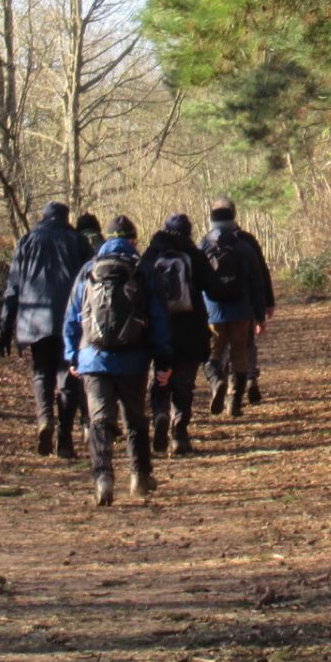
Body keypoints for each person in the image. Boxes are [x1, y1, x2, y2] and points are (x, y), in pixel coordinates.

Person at [65, 215, 173, 505]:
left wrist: (71, 355)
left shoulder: (88, 270)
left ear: (106, 240)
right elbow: (160, 318)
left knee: (99, 419)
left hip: (93, 358)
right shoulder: (144, 270)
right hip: (133, 359)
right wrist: (162, 359)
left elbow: (73, 316)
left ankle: (103, 478)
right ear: (133, 241)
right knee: (135, 418)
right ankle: (139, 476)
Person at [0, 202, 93, 458]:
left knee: (41, 372)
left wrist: (5, 326)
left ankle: (45, 420)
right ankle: (64, 439)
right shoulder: (77, 241)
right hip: (69, 320)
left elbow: (13, 287)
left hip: (33, 319)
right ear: (65, 217)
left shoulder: (26, 241)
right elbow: (91, 283)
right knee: (68, 378)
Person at [139, 213, 224, 456]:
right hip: (190, 330)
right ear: (188, 232)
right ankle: (179, 433)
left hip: (156, 330)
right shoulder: (194, 255)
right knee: (184, 384)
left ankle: (160, 414)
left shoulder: (151, 254)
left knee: (159, 378)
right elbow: (215, 289)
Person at [200, 197, 276, 418]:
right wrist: (261, 313)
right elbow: (257, 280)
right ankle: (235, 400)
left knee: (214, 353)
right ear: (233, 218)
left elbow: (194, 282)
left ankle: (217, 383)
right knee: (239, 354)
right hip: (242, 311)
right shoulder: (244, 244)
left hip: (213, 312)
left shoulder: (203, 245)